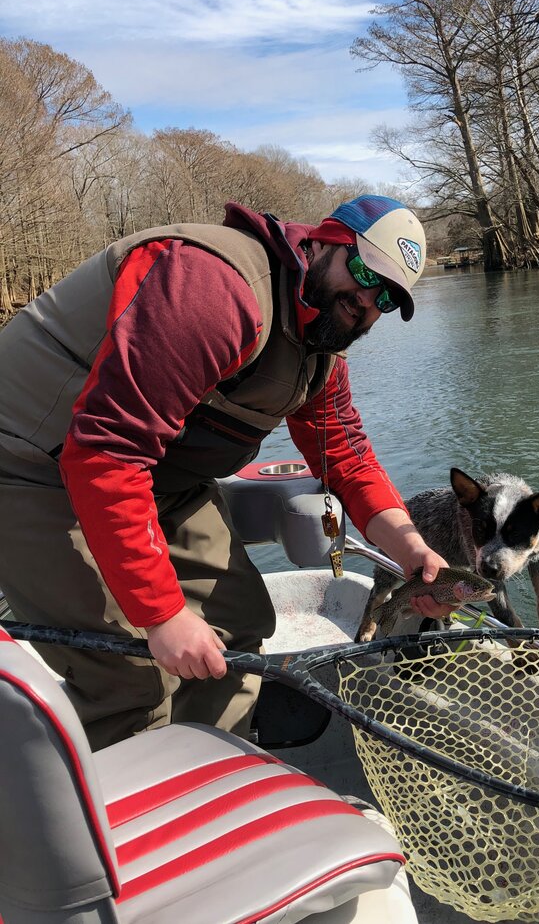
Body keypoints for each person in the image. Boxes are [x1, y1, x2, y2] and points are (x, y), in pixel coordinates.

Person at [0, 194, 455, 750]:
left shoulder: (321, 353)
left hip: (159, 480)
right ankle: (140, 820)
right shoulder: (213, 290)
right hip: (31, 467)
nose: (365, 301)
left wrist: (412, 549)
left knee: (237, 630)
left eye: (387, 297)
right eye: (362, 273)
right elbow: (109, 453)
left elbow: (347, 454)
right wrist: (163, 614)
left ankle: (212, 772)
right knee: (127, 677)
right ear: (322, 241)